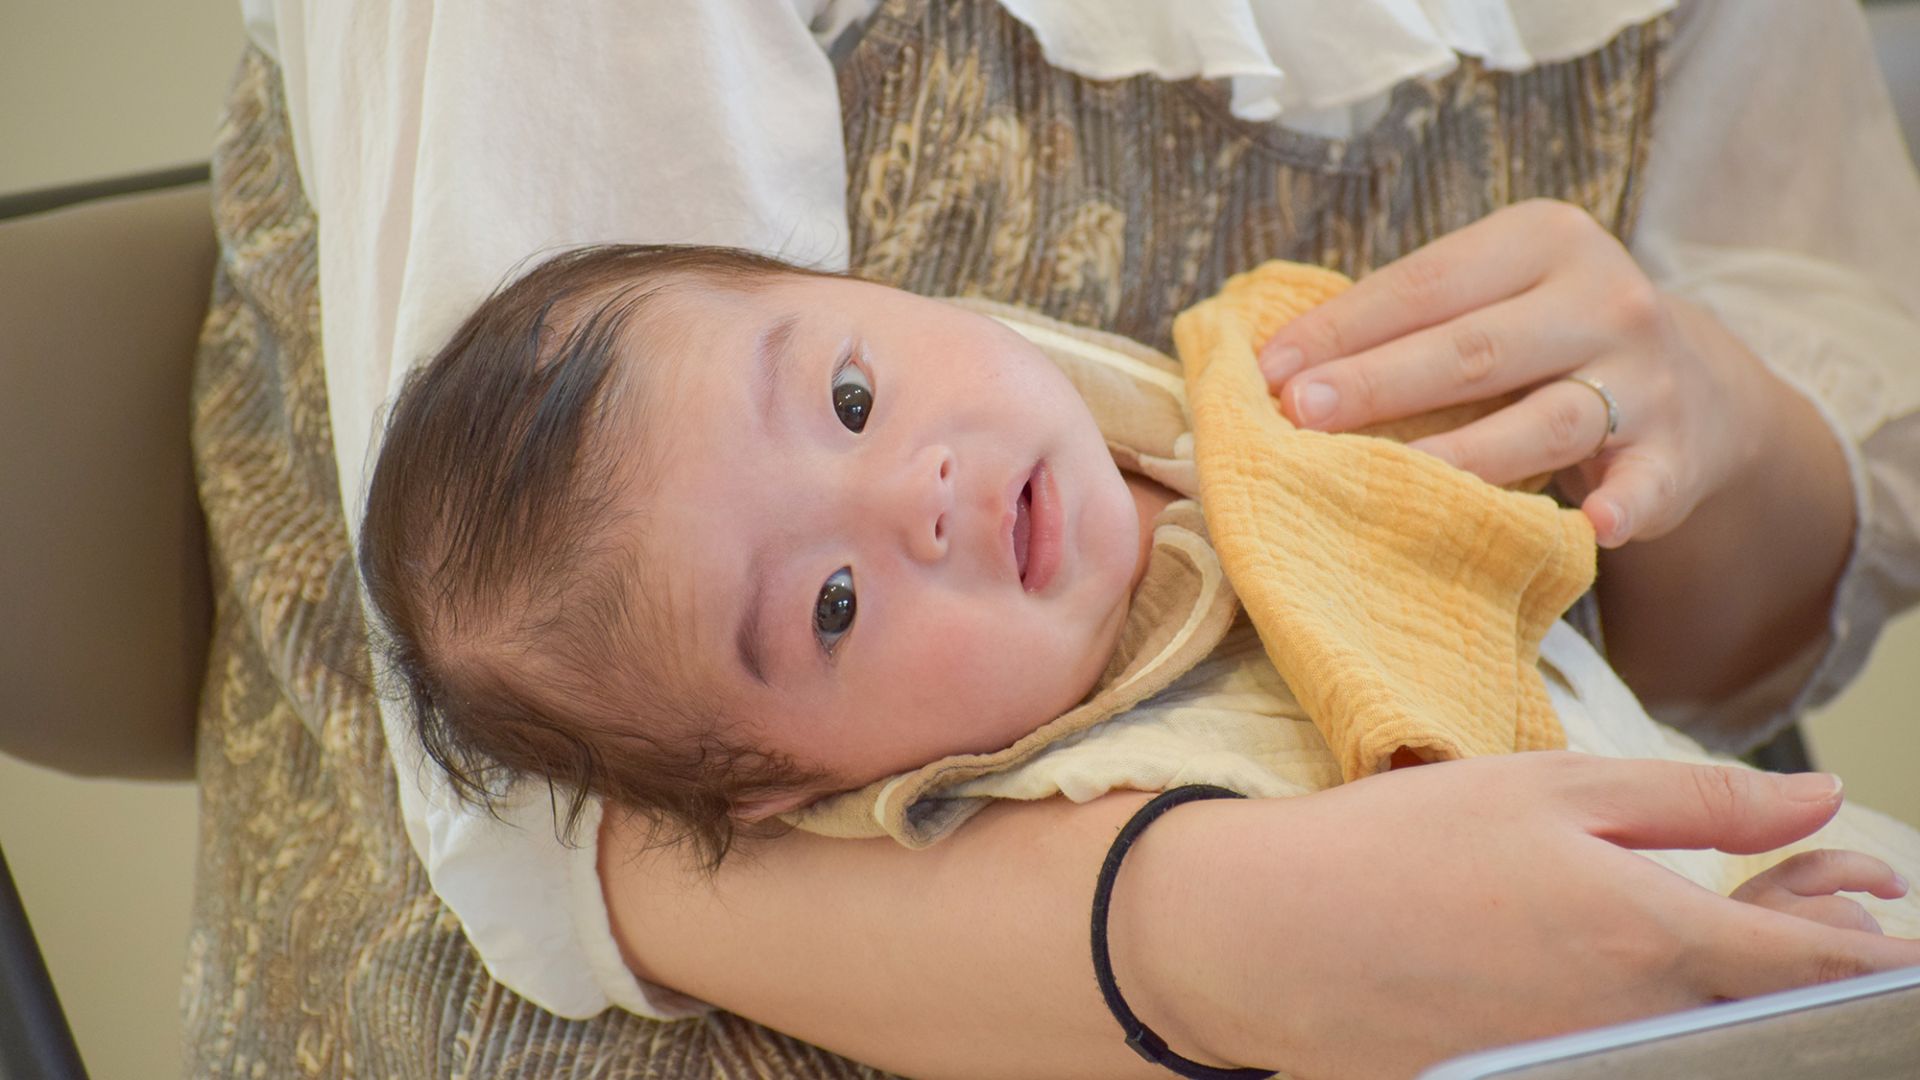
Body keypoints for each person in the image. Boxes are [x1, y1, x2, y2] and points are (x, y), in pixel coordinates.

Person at [191, 0, 1920, 1076]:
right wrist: (1233, 938)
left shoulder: (1178, 416)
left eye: (857, 398)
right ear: (788, 786)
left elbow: (1716, 639)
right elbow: (580, 832)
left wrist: (1702, 411)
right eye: (840, 601)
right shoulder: (1012, 779)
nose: (914, 494)